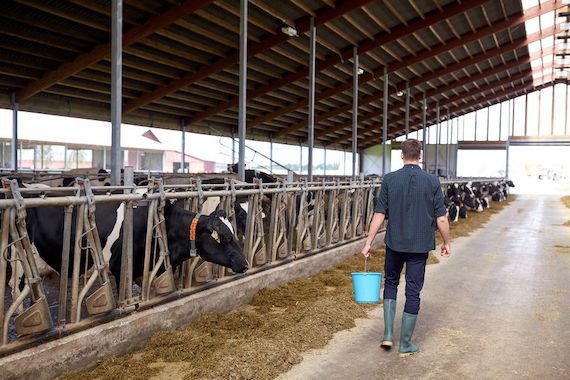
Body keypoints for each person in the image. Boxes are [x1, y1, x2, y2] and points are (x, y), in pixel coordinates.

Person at [361, 138, 451, 357]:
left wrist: (368, 242)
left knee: (391, 283)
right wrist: (447, 242)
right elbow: (441, 218)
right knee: (413, 291)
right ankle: (406, 344)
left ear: (401, 155)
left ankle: (388, 335)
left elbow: (379, 214)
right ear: (420, 156)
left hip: (395, 243)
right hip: (419, 247)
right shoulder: (432, 182)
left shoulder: (390, 180)